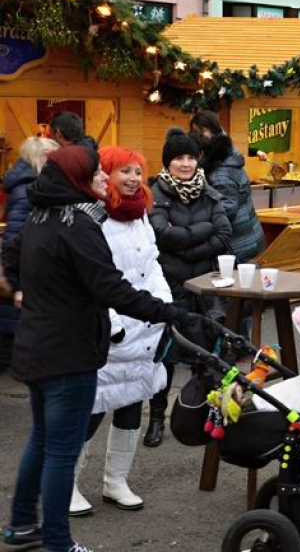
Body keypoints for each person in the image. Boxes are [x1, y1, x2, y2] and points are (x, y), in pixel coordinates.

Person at [1, 145, 188, 552]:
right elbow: (110, 287)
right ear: (77, 180)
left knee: (42, 441)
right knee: (61, 452)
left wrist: (26, 290)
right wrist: (168, 312)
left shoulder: (41, 215)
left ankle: (21, 525)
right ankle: (56, 541)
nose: (105, 178)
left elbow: (13, 256)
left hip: (37, 347)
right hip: (68, 353)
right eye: (97, 174)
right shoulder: (79, 224)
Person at [69, 147, 173, 517]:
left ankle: (116, 481)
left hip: (145, 326)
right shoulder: (93, 218)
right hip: (108, 333)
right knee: (91, 408)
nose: (132, 178)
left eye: (137, 171)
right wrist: (111, 326)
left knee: (131, 401)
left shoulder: (141, 214)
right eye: (123, 171)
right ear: (105, 175)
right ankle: (67, 485)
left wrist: (164, 306)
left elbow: (153, 264)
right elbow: (90, 279)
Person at [144, 128, 232, 447]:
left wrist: (186, 247)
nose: (185, 163)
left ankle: (202, 418)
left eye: (190, 157)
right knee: (163, 355)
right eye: (179, 158)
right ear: (168, 163)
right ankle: (156, 418)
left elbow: (224, 235)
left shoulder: (208, 191)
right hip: (168, 286)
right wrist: (203, 231)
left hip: (203, 289)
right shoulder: (156, 192)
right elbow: (161, 236)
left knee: (206, 354)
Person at [0, 137, 58, 375]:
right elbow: (16, 238)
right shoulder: (27, 189)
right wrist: (18, 284)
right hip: (24, 272)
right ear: (41, 157)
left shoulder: (29, 184)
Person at [189, 111, 266, 262]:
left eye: (202, 131)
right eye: (194, 132)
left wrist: (194, 222)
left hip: (238, 245)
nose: (198, 137)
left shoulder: (220, 173)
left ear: (214, 131)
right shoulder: (228, 156)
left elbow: (225, 210)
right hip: (248, 237)